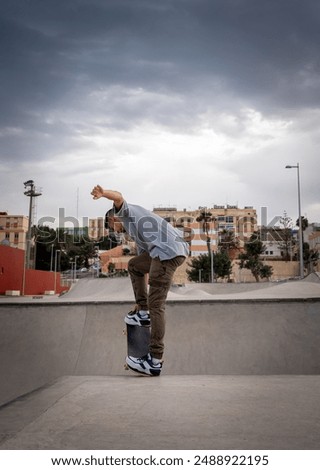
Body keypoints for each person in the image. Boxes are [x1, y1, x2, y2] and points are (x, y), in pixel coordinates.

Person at [91, 185, 189, 376]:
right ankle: (143, 311)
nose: (117, 232)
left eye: (113, 228)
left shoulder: (126, 214)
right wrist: (140, 302)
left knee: (157, 304)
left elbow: (119, 197)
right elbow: (143, 264)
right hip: (165, 252)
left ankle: (154, 359)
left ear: (113, 218)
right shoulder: (136, 230)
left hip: (167, 253)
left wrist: (103, 194)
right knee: (134, 264)